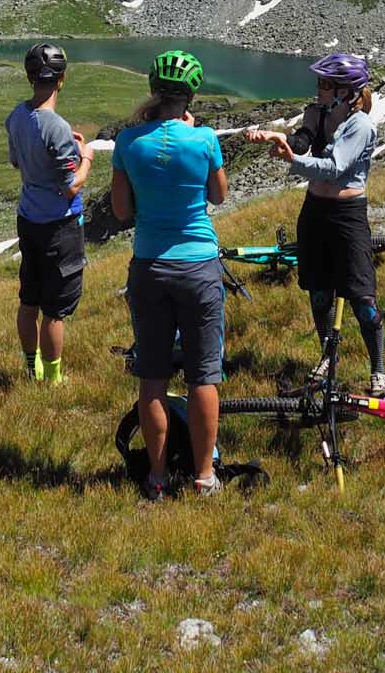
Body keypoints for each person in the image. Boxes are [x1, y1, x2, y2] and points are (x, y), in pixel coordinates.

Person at [109, 49, 229, 500]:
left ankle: (157, 477)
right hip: (198, 265)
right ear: (190, 94)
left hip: (149, 266)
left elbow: (122, 211)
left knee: (153, 376)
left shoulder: (127, 142)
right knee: (203, 375)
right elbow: (218, 196)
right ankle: (203, 477)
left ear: (153, 91)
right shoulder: (205, 141)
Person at [250, 52, 385, 396]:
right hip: (315, 212)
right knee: (319, 294)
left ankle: (379, 370)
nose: (318, 88)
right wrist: (281, 140)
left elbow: (335, 167)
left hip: (347, 216)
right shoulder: (318, 112)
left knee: (362, 299)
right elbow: (303, 138)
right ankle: (329, 358)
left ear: (346, 90)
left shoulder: (361, 124)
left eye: (325, 84)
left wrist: (292, 160)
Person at [5, 42, 91, 384]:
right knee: (54, 310)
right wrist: (86, 157)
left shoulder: (16, 116)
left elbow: (16, 160)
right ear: (62, 79)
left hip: (28, 219)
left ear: (29, 78)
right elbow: (72, 185)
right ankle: (53, 379)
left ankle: (32, 366)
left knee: (29, 298)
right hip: (60, 225)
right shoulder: (56, 126)